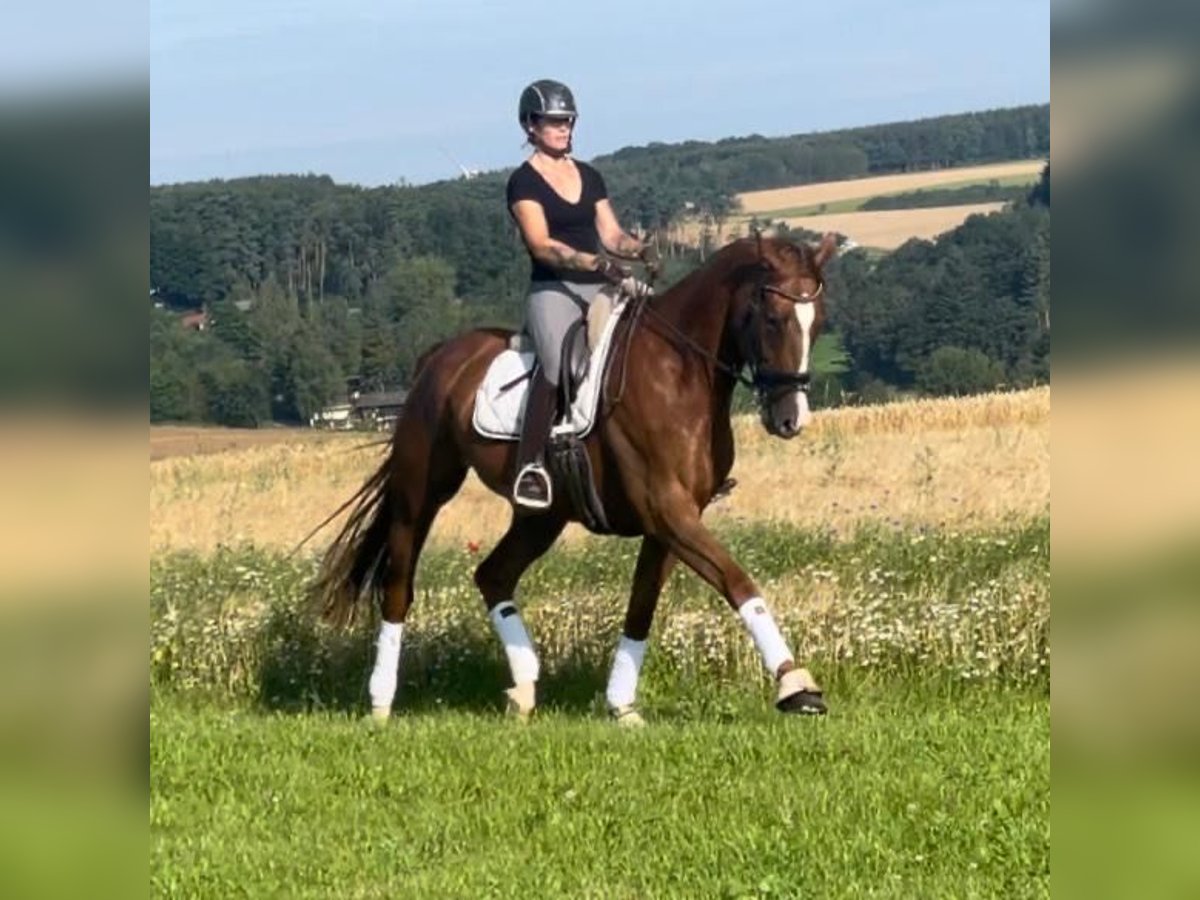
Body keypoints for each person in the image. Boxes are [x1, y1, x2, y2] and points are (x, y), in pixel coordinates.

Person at [506, 78, 658, 510]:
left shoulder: (589, 175)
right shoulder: (523, 183)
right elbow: (542, 245)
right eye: (554, 121)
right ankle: (530, 466)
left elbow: (610, 234)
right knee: (557, 366)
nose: (564, 128)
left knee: (657, 332)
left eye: (567, 121)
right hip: (553, 287)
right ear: (530, 126)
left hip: (602, 282)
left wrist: (639, 248)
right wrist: (594, 262)